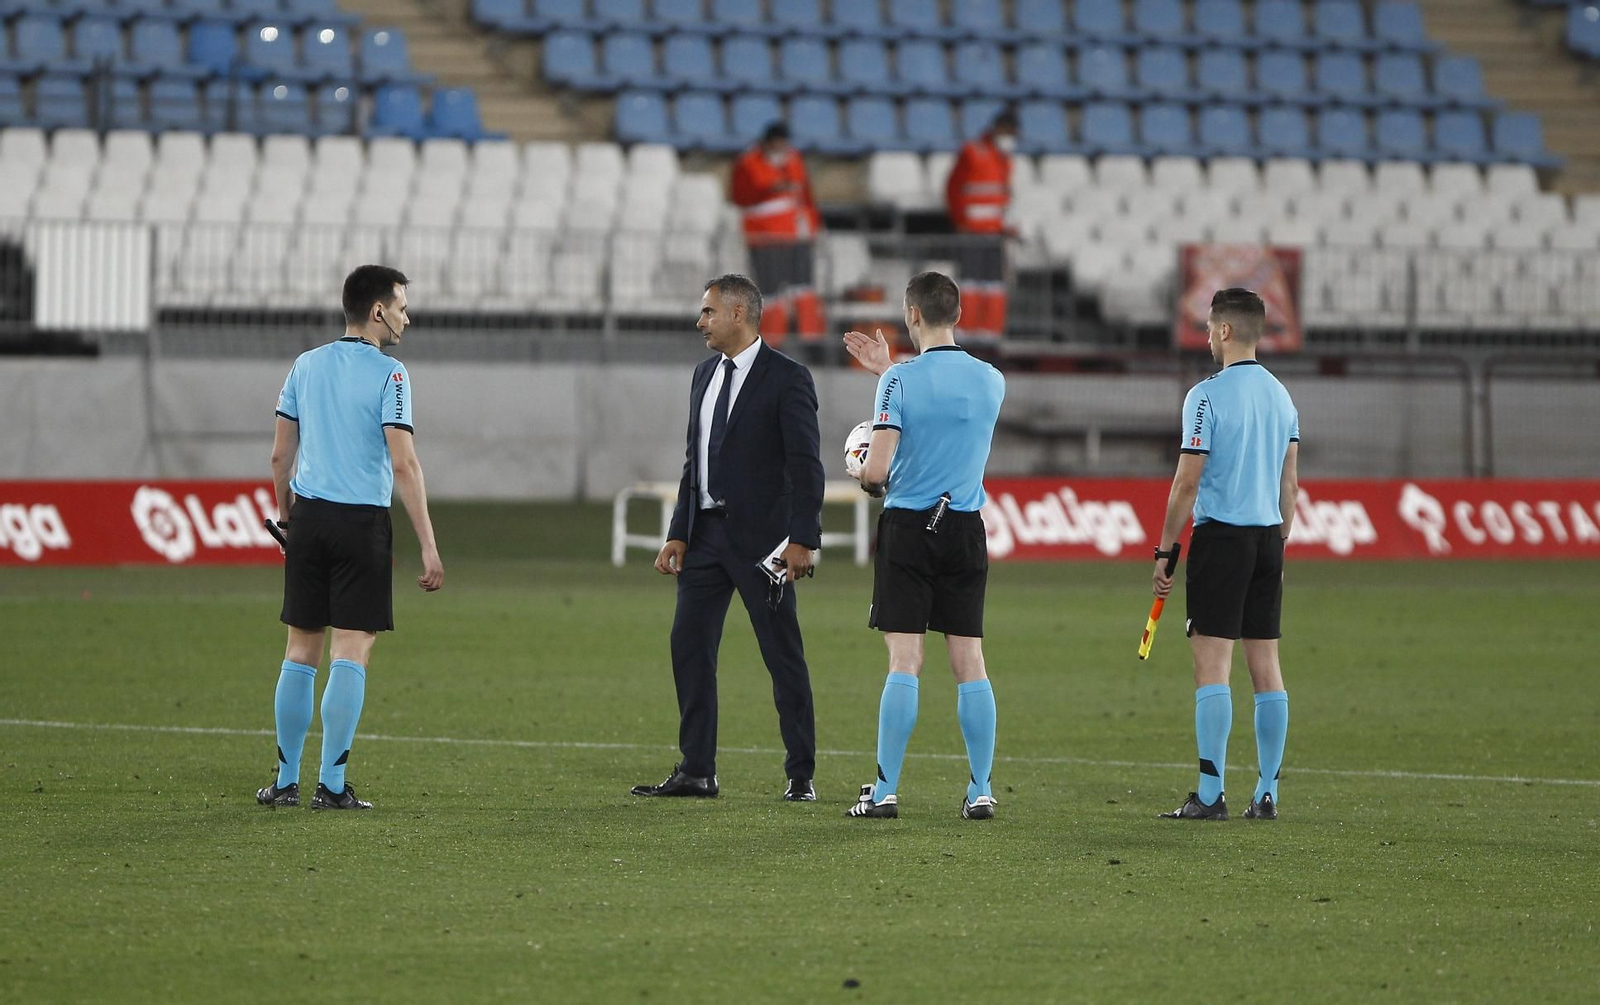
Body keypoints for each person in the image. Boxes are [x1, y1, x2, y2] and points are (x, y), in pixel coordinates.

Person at [255, 265, 444, 812]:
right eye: (402, 306)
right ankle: (332, 786)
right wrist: (428, 545)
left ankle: (285, 782)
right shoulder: (392, 375)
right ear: (378, 310)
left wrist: (288, 520)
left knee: (299, 651)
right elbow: (404, 464)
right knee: (352, 650)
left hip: (310, 521)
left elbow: (279, 456)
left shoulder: (305, 365)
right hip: (361, 525)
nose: (407, 317)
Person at [633, 273, 826, 802]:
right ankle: (698, 769)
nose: (700, 322)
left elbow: (807, 466)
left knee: (781, 654)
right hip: (704, 539)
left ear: (738, 314)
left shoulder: (788, 378)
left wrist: (803, 538)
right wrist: (678, 532)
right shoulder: (703, 375)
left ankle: (801, 774)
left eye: (708, 312)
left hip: (765, 545)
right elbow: (694, 463)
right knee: (689, 647)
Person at [840, 272, 1006, 820]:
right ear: (958, 314)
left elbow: (877, 472)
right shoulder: (992, 380)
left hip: (910, 529)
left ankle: (885, 790)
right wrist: (890, 371)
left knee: (905, 659)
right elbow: (946, 411)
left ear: (912, 314)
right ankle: (980, 790)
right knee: (970, 660)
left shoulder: (899, 383)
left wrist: (862, 468)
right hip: (965, 528)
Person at [1152, 287, 1299, 822]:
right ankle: (1267, 793)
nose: (1208, 338)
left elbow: (1186, 483)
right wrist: (1278, 545)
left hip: (1222, 540)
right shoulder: (1283, 398)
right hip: (1268, 540)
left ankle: (1211, 795)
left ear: (1225, 330)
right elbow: (1290, 486)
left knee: (1213, 669)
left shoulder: (1205, 396)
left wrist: (1165, 549)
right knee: (1267, 668)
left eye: (1211, 329)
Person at [730, 122, 824, 345]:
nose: (782, 147)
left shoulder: (794, 160)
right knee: (770, 292)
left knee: (803, 289)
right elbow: (741, 196)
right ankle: (772, 343)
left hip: (797, 236)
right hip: (765, 238)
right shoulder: (748, 163)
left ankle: (811, 340)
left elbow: (806, 196)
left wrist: (814, 226)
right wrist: (772, 189)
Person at [945, 110, 1018, 339]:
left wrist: (1006, 226)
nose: (1010, 138)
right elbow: (953, 187)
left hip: (995, 233)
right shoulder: (972, 152)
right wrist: (960, 220)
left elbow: (1001, 199)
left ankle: (991, 331)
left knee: (994, 285)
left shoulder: (1005, 160)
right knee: (969, 283)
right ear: (996, 129)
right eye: (1007, 132)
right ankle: (965, 330)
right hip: (972, 232)